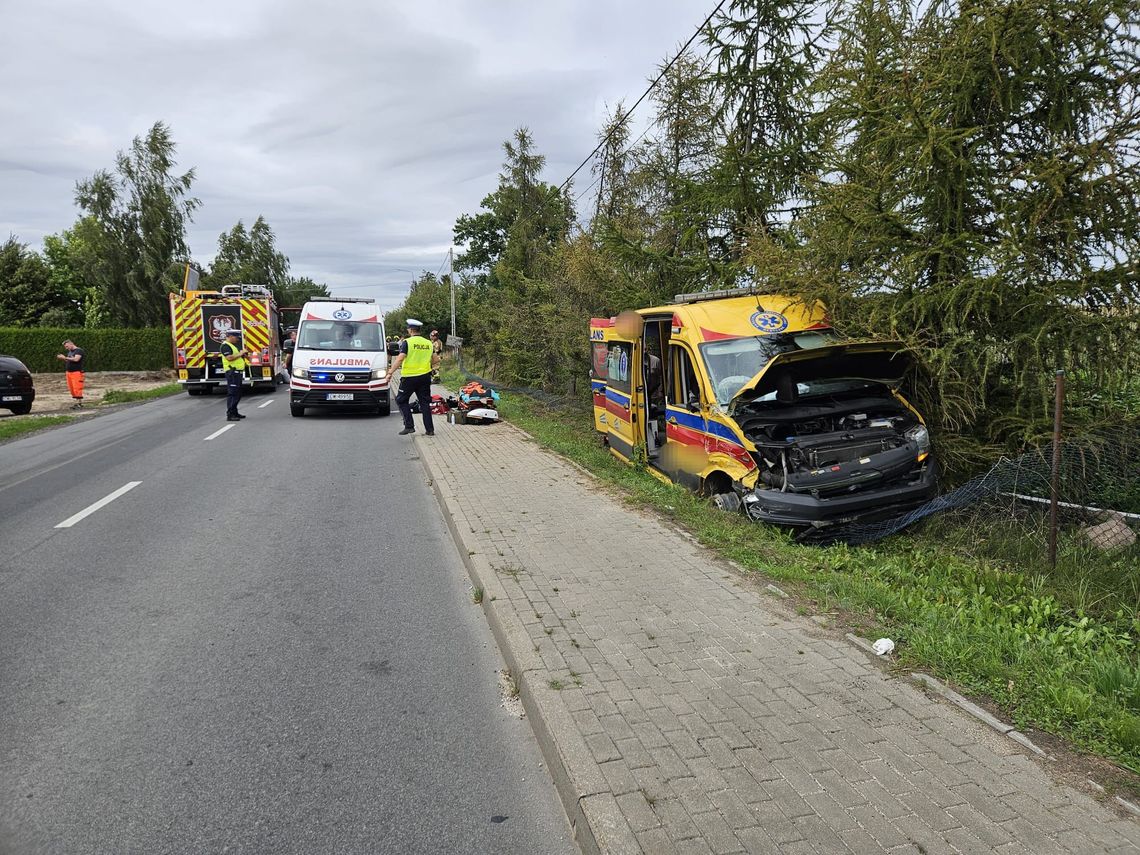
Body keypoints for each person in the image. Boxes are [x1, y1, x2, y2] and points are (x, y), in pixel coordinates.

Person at [389, 319, 435, 436]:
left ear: (410, 330)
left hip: (409, 377)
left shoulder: (407, 342)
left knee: (401, 400)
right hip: (425, 376)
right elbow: (435, 359)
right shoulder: (428, 343)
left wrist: (390, 373)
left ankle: (409, 426)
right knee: (424, 403)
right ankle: (430, 430)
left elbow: (400, 358)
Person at [220, 329, 249, 421]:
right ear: (231, 336)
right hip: (232, 373)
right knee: (233, 393)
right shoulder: (225, 346)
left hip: (237, 373)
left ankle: (235, 412)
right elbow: (229, 358)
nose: (237, 340)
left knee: (238, 393)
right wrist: (240, 353)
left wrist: (243, 355)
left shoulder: (232, 346)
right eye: (236, 337)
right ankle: (230, 414)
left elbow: (236, 357)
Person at [56, 339, 86, 408]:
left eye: (67, 346)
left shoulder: (79, 351)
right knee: (72, 388)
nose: (66, 348)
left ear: (71, 344)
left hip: (76, 372)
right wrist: (63, 358)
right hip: (69, 373)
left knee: (77, 387)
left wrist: (65, 357)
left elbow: (76, 359)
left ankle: (79, 403)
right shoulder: (70, 352)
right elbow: (69, 360)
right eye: (65, 347)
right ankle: (76, 403)